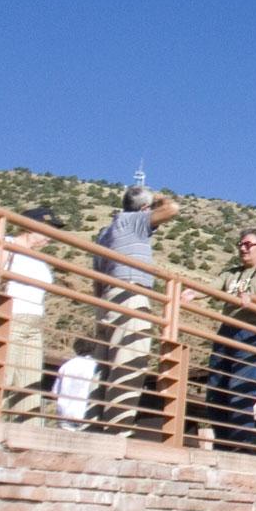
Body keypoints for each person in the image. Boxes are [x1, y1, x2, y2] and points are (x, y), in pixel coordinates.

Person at [94, 185, 180, 435]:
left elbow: (97, 279)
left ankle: (97, 427)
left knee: (105, 366)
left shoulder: (106, 232)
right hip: (131, 295)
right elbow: (172, 209)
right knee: (129, 362)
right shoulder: (134, 221)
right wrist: (160, 197)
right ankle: (117, 432)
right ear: (145, 208)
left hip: (107, 300)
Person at [201, 228, 256, 452]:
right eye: (240, 244)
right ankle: (223, 445)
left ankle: (239, 449)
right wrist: (191, 292)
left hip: (255, 332)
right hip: (227, 331)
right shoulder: (233, 272)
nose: (242, 248)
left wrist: (251, 299)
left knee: (241, 392)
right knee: (216, 390)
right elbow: (210, 287)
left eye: (248, 245)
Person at [1, 207, 58, 418]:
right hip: (11, 316)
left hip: (34, 324)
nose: (50, 238)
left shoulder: (40, 259)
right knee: (0, 377)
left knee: (30, 384)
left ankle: (22, 441)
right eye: (47, 231)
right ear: (29, 226)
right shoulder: (8, 243)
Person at [53, 336, 100, 430]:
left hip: (64, 416)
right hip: (85, 416)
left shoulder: (67, 365)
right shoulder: (95, 365)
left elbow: (54, 393)